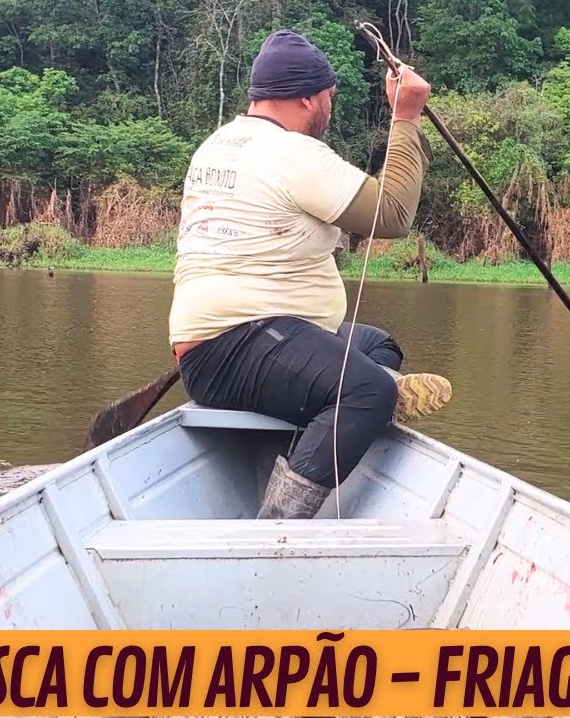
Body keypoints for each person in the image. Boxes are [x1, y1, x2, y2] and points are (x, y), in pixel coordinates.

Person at [167, 29, 451, 520]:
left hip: (231, 343)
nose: (330, 108)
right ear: (306, 98)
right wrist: (406, 118)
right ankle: (277, 524)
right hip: (236, 345)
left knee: (378, 347)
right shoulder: (292, 154)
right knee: (369, 390)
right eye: (329, 97)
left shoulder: (217, 145)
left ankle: (332, 421)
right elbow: (391, 215)